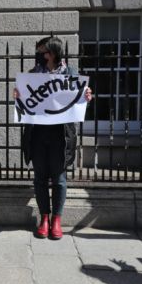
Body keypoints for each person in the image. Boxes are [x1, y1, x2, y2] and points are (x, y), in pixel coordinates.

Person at [15, 37, 92, 240]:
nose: (41, 56)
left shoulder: (70, 73)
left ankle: (57, 220)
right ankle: (45, 218)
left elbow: (77, 102)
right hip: (38, 133)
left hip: (60, 135)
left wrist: (86, 96)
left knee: (59, 179)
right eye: (39, 52)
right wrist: (18, 96)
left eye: (44, 52)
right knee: (40, 178)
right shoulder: (33, 75)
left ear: (54, 53)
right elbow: (25, 103)